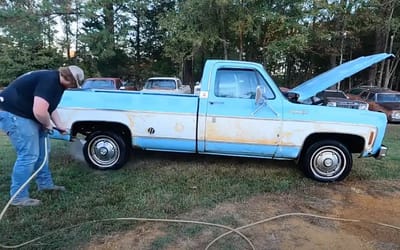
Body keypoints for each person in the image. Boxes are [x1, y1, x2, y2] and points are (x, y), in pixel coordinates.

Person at [0, 65, 84, 206]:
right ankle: (18, 198)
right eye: (74, 84)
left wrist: (60, 125)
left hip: (27, 114)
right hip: (14, 113)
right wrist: (47, 124)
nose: (72, 87)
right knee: (28, 155)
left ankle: (45, 185)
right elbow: (39, 111)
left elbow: (50, 107)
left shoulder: (58, 84)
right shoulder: (49, 81)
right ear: (70, 79)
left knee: (43, 152)